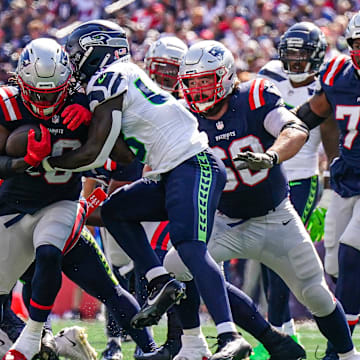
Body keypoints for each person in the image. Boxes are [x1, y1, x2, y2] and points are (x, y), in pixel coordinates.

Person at [41, 20, 253, 360]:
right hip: (172, 171)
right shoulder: (119, 77)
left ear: (96, 51)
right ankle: (158, 280)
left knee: (189, 248)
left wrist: (49, 162)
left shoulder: (109, 77)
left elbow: (95, 151)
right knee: (114, 211)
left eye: (77, 53)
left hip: (193, 164)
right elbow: (123, 153)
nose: (73, 60)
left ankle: (230, 336)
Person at [162, 39, 360, 360]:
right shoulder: (183, 115)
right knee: (177, 265)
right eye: (192, 82)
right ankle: (213, 344)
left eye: (205, 81)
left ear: (225, 77)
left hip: (275, 218)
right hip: (222, 220)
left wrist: (271, 156)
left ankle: (350, 356)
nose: (197, 90)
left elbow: (294, 129)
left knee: (316, 295)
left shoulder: (253, 96)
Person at [0, 37, 159, 360]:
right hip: (13, 211)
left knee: (104, 286)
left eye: (53, 94)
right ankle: (52, 343)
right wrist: (21, 162)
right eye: (37, 95)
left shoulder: (85, 98)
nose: (45, 103)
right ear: (21, 82)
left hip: (61, 207)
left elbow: (122, 156)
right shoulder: (7, 104)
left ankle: (153, 351)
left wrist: (92, 117)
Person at [251, 22, 328, 360]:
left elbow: (333, 129)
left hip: (305, 177)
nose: (295, 62)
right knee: (271, 258)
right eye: (291, 55)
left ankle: (282, 335)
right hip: (273, 172)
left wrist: (330, 177)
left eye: (302, 56)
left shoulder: (331, 78)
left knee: (282, 258)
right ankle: (284, 334)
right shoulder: (269, 75)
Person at [293, 10, 360, 360]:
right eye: (359, 43)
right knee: (333, 266)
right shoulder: (338, 75)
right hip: (346, 179)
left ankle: (340, 350)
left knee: (352, 255)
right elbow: (313, 111)